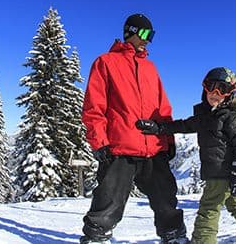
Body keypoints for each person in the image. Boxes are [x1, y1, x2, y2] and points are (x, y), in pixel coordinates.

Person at [80, 13, 188, 244]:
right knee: (109, 200)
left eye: (152, 36)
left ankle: (173, 236)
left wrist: (167, 140)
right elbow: (93, 107)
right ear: (130, 31)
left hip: (153, 146)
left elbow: (163, 109)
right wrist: (99, 142)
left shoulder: (150, 68)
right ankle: (96, 237)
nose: (148, 40)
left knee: (166, 199)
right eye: (145, 34)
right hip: (120, 148)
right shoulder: (105, 62)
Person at [136, 67, 236, 244]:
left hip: (223, 172)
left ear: (230, 94)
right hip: (220, 171)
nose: (215, 93)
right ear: (204, 88)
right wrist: (159, 128)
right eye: (211, 86)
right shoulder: (206, 117)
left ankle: (202, 240)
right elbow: (184, 125)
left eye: (222, 89)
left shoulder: (230, 117)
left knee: (209, 208)